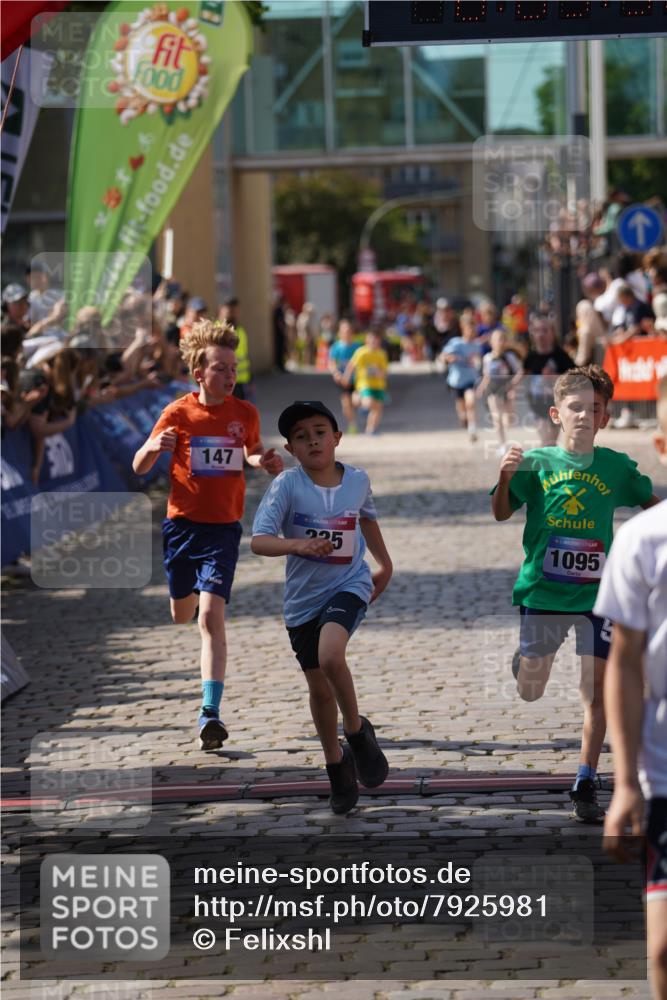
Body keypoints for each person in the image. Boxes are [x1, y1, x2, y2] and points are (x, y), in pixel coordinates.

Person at [491, 364, 658, 824]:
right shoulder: (537, 462)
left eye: (595, 409)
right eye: (576, 408)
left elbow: (652, 507)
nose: (585, 416)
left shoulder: (617, 467)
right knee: (531, 689)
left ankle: (586, 777)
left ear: (605, 418)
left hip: (599, 598)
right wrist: (505, 479)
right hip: (544, 592)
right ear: (556, 413)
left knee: (598, 693)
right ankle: (525, 661)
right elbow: (502, 513)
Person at [132, 320, 283, 750]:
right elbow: (138, 466)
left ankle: (209, 712)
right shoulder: (178, 412)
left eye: (233, 367)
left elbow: (250, 450)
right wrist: (152, 449)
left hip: (223, 529)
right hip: (181, 527)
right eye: (221, 368)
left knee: (210, 617)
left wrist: (260, 461)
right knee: (183, 614)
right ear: (199, 373)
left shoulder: (244, 413)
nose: (230, 375)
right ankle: (187, 597)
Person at [251, 400, 392, 814]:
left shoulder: (358, 480)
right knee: (318, 689)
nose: (312, 440)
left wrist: (384, 563)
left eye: (319, 431)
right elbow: (259, 540)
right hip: (302, 602)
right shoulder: (287, 486)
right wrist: (297, 544)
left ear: (337, 437)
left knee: (332, 655)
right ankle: (336, 764)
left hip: (349, 583)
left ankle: (357, 732)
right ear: (291, 449)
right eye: (301, 436)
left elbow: (366, 519)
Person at [594, 377, 667, 1000]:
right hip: (664, 769)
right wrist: (624, 784)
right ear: (664, 445)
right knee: (663, 949)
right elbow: (625, 659)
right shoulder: (644, 538)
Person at [519, 316, 574, 447]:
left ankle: (549, 466)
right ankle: (546, 466)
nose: (541, 335)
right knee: (546, 440)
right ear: (532, 334)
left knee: (551, 442)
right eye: (537, 330)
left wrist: (555, 377)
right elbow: (523, 376)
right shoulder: (530, 357)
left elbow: (575, 377)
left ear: (552, 333)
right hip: (536, 403)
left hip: (556, 403)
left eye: (545, 330)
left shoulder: (561, 356)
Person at [476, 328, 522, 456]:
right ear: (491, 342)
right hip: (493, 390)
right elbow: (486, 376)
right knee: (497, 418)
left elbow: (519, 372)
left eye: (502, 339)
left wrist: (513, 386)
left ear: (505, 342)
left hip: (506, 388)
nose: (500, 342)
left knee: (509, 419)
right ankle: (502, 445)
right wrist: (481, 387)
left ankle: (506, 435)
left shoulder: (509, 357)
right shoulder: (487, 358)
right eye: (497, 340)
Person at [441, 314, 482, 442]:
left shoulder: (477, 344)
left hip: (471, 380)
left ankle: (472, 429)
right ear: (463, 328)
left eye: (473, 329)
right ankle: (464, 419)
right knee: (461, 406)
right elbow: (443, 356)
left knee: (471, 402)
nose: (471, 332)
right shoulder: (456, 343)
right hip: (456, 381)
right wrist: (449, 358)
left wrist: (478, 362)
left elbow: (479, 359)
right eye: (469, 329)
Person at [342, 328, 389, 435]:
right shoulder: (361, 352)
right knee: (368, 403)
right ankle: (362, 406)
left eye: (376, 341)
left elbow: (385, 371)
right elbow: (351, 365)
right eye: (371, 340)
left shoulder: (381, 354)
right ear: (367, 341)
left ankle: (371, 429)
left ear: (379, 341)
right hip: (364, 384)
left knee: (377, 409)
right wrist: (346, 376)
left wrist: (379, 373)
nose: (373, 343)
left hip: (379, 385)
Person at [218, 297, 253, 402]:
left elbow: (246, 356)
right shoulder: (215, 331)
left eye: (236, 311)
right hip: (223, 382)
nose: (233, 314)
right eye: (230, 311)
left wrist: (251, 379)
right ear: (221, 311)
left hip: (241, 383)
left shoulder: (241, 331)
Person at [328, 319, 359, 433]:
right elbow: (331, 363)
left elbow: (361, 363)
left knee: (356, 401)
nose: (347, 333)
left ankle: (361, 408)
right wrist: (336, 373)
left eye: (349, 330)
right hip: (342, 380)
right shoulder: (336, 347)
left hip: (356, 379)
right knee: (346, 405)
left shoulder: (357, 346)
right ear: (339, 333)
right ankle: (352, 424)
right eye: (344, 331)